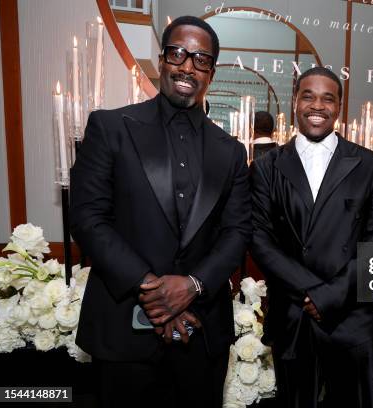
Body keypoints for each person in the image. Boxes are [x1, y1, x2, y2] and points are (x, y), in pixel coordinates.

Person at [69, 15, 251, 408]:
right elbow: (87, 218)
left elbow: (237, 233)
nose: (188, 66)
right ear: (163, 60)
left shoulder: (232, 151)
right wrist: (155, 291)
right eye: (179, 54)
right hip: (124, 330)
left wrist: (191, 286)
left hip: (202, 335)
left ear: (211, 73)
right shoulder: (112, 127)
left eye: (201, 59)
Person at [250, 67, 373, 408]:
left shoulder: (370, 164)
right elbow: (260, 239)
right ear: (295, 102)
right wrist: (313, 294)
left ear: (339, 107)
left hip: (352, 317)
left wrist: (331, 295)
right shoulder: (266, 167)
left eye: (327, 98)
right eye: (308, 96)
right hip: (293, 315)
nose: (318, 105)